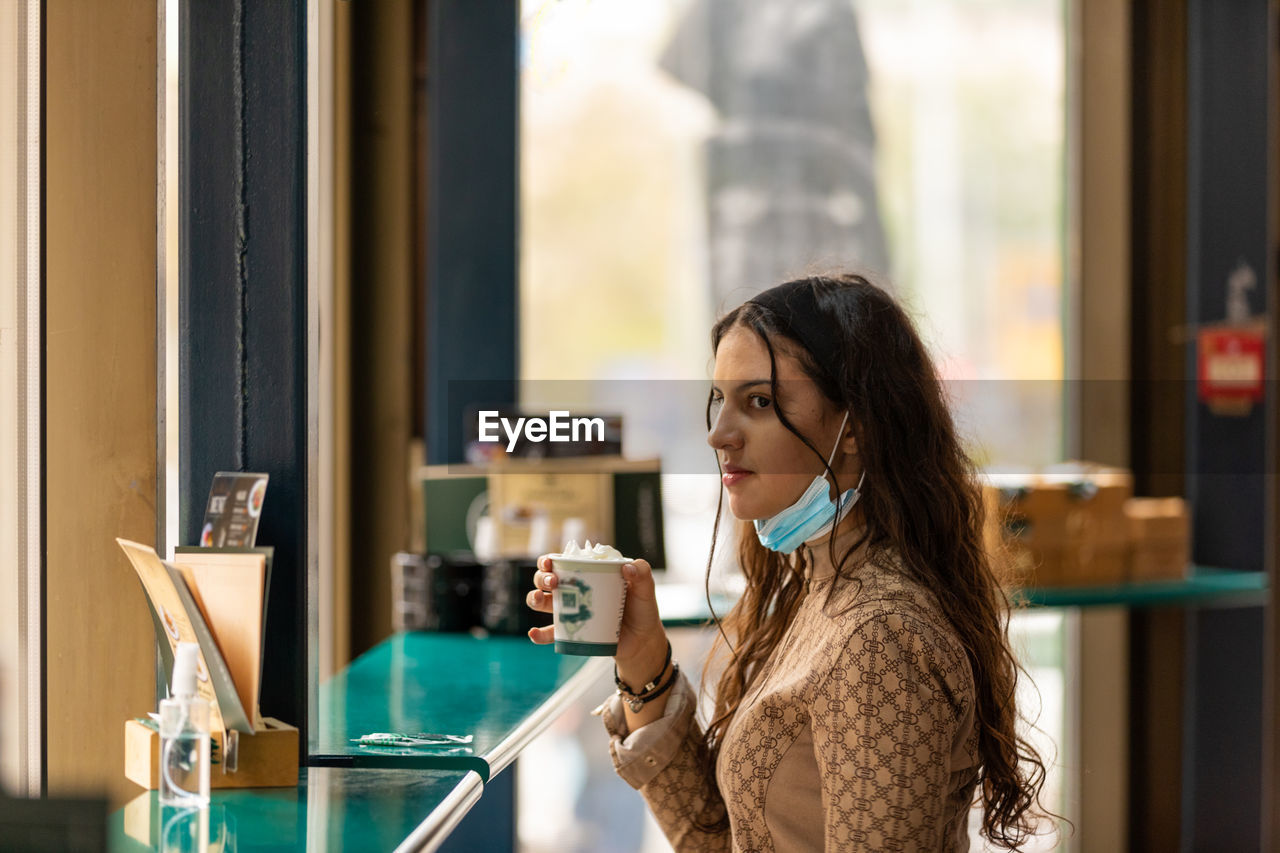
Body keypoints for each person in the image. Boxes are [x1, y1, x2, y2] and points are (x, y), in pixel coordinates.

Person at [526, 275, 1061, 851]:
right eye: (719, 400)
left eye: (759, 402)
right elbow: (726, 842)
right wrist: (643, 659)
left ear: (853, 430)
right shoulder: (824, 587)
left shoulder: (880, 637)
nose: (718, 435)